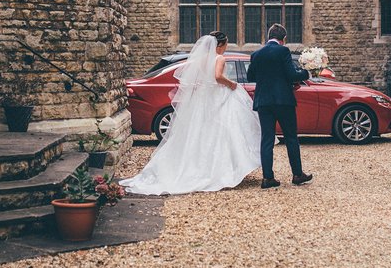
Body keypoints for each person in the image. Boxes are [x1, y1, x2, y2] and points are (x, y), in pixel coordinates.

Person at [120, 31, 261, 195]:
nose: (227, 47)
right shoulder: (219, 58)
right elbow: (217, 77)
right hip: (216, 97)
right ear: (220, 45)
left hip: (202, 99)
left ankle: (196, 167)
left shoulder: (200, 60)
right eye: (226, 43)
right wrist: (231, 84)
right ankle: (217, 170)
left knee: (198, 133)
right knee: (221, 132)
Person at [246, 23, 313, 188]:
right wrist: (307, 72)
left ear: (269, 37)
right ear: (284, 39)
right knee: (291, 138)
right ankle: (297, 174)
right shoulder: (283, 51)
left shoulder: (256, 54)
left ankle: (267, 178)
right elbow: (291, 75)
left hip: (263, 102)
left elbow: (250, 77)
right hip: (283, 101)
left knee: (267, 139)